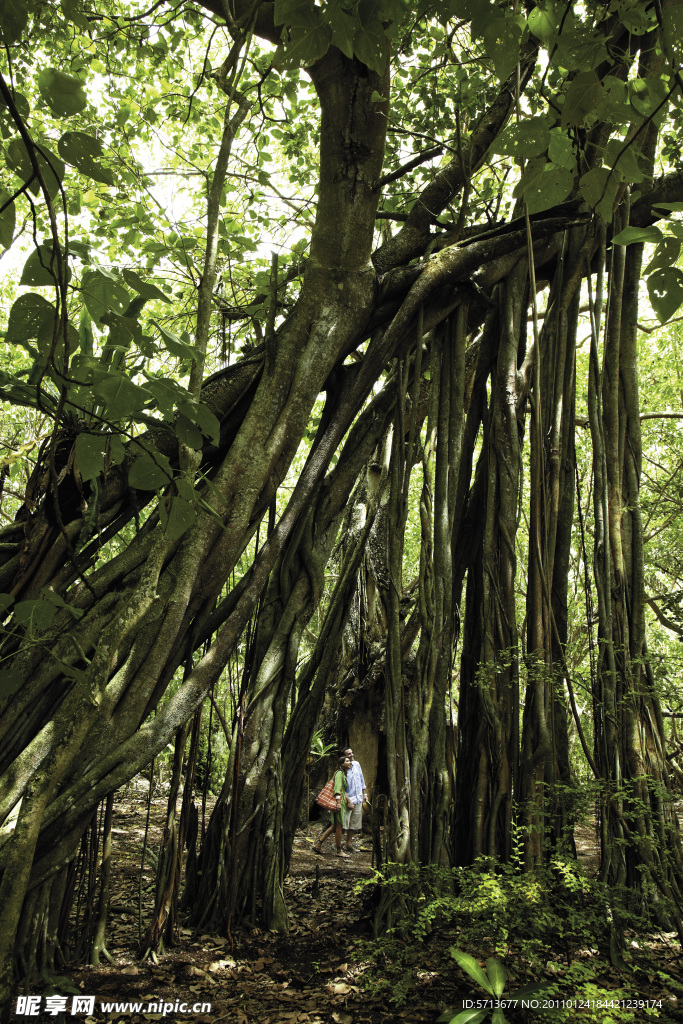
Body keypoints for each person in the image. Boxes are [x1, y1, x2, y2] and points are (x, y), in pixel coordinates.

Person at [313, 756, 351, 857]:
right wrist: (338, 803)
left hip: (340, 802)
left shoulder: (343, 773)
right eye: (347, 761)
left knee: (334, 826)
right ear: (342, 764)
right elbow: (337, 789)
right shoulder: (339, 773)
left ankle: (318, 844)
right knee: (339, 827)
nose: (350, 762)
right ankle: (339, 851)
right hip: (339, 803)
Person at [343, 746, 366, 853]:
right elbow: (341, 788)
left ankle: (348, 844)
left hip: (358, 798)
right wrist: (348, 801)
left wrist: (364, 794)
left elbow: (361, 779)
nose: (351, 755)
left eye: (352, 753)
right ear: (344, 757)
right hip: (348, 800)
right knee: (343, 823)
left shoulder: (356, 764)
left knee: (353, 823)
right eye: (349, 754)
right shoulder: (343, 769)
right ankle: (337, 844)